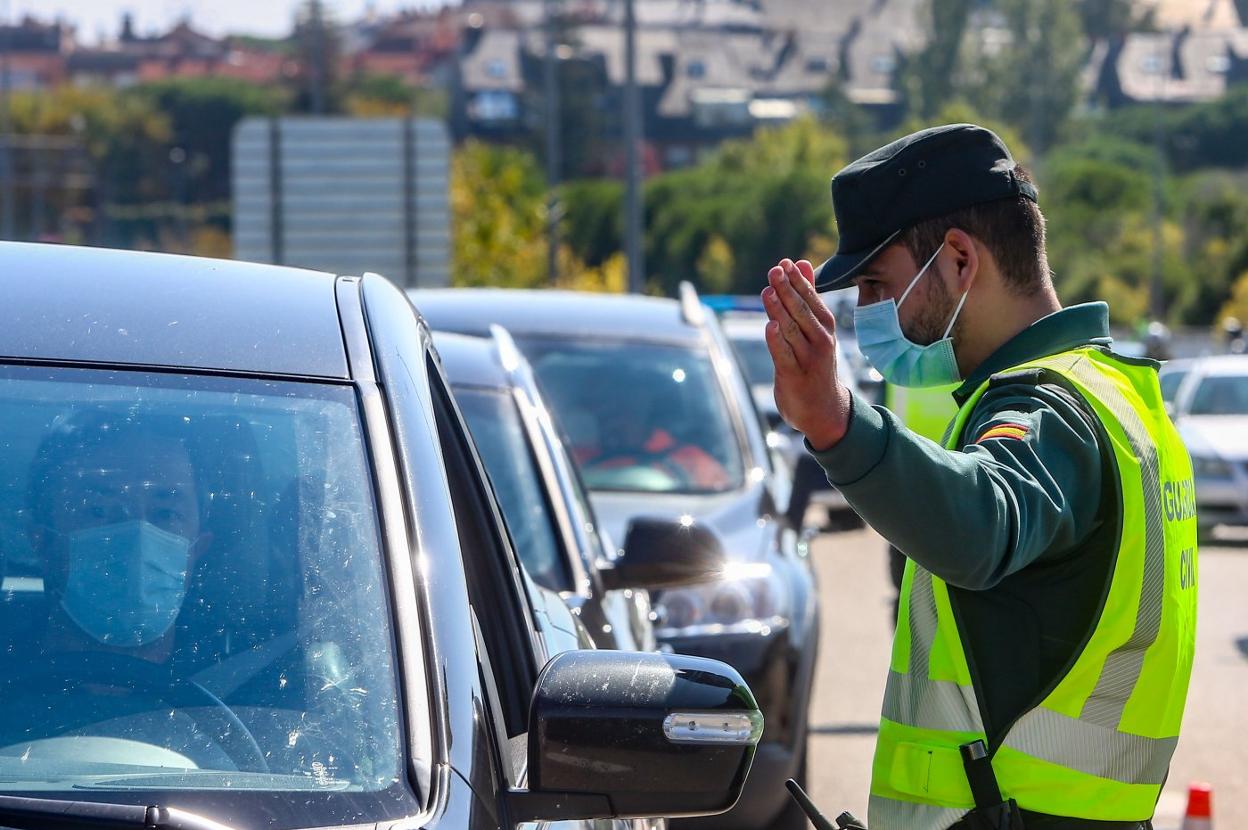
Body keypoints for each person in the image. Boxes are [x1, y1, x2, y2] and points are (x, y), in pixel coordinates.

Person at [761, 124, 1197, 830]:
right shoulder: (1118, 395)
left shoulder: (1048, 409)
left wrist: (834, 421)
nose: (868, 312)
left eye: (878, 283)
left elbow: (981, 524)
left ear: (960, 259)